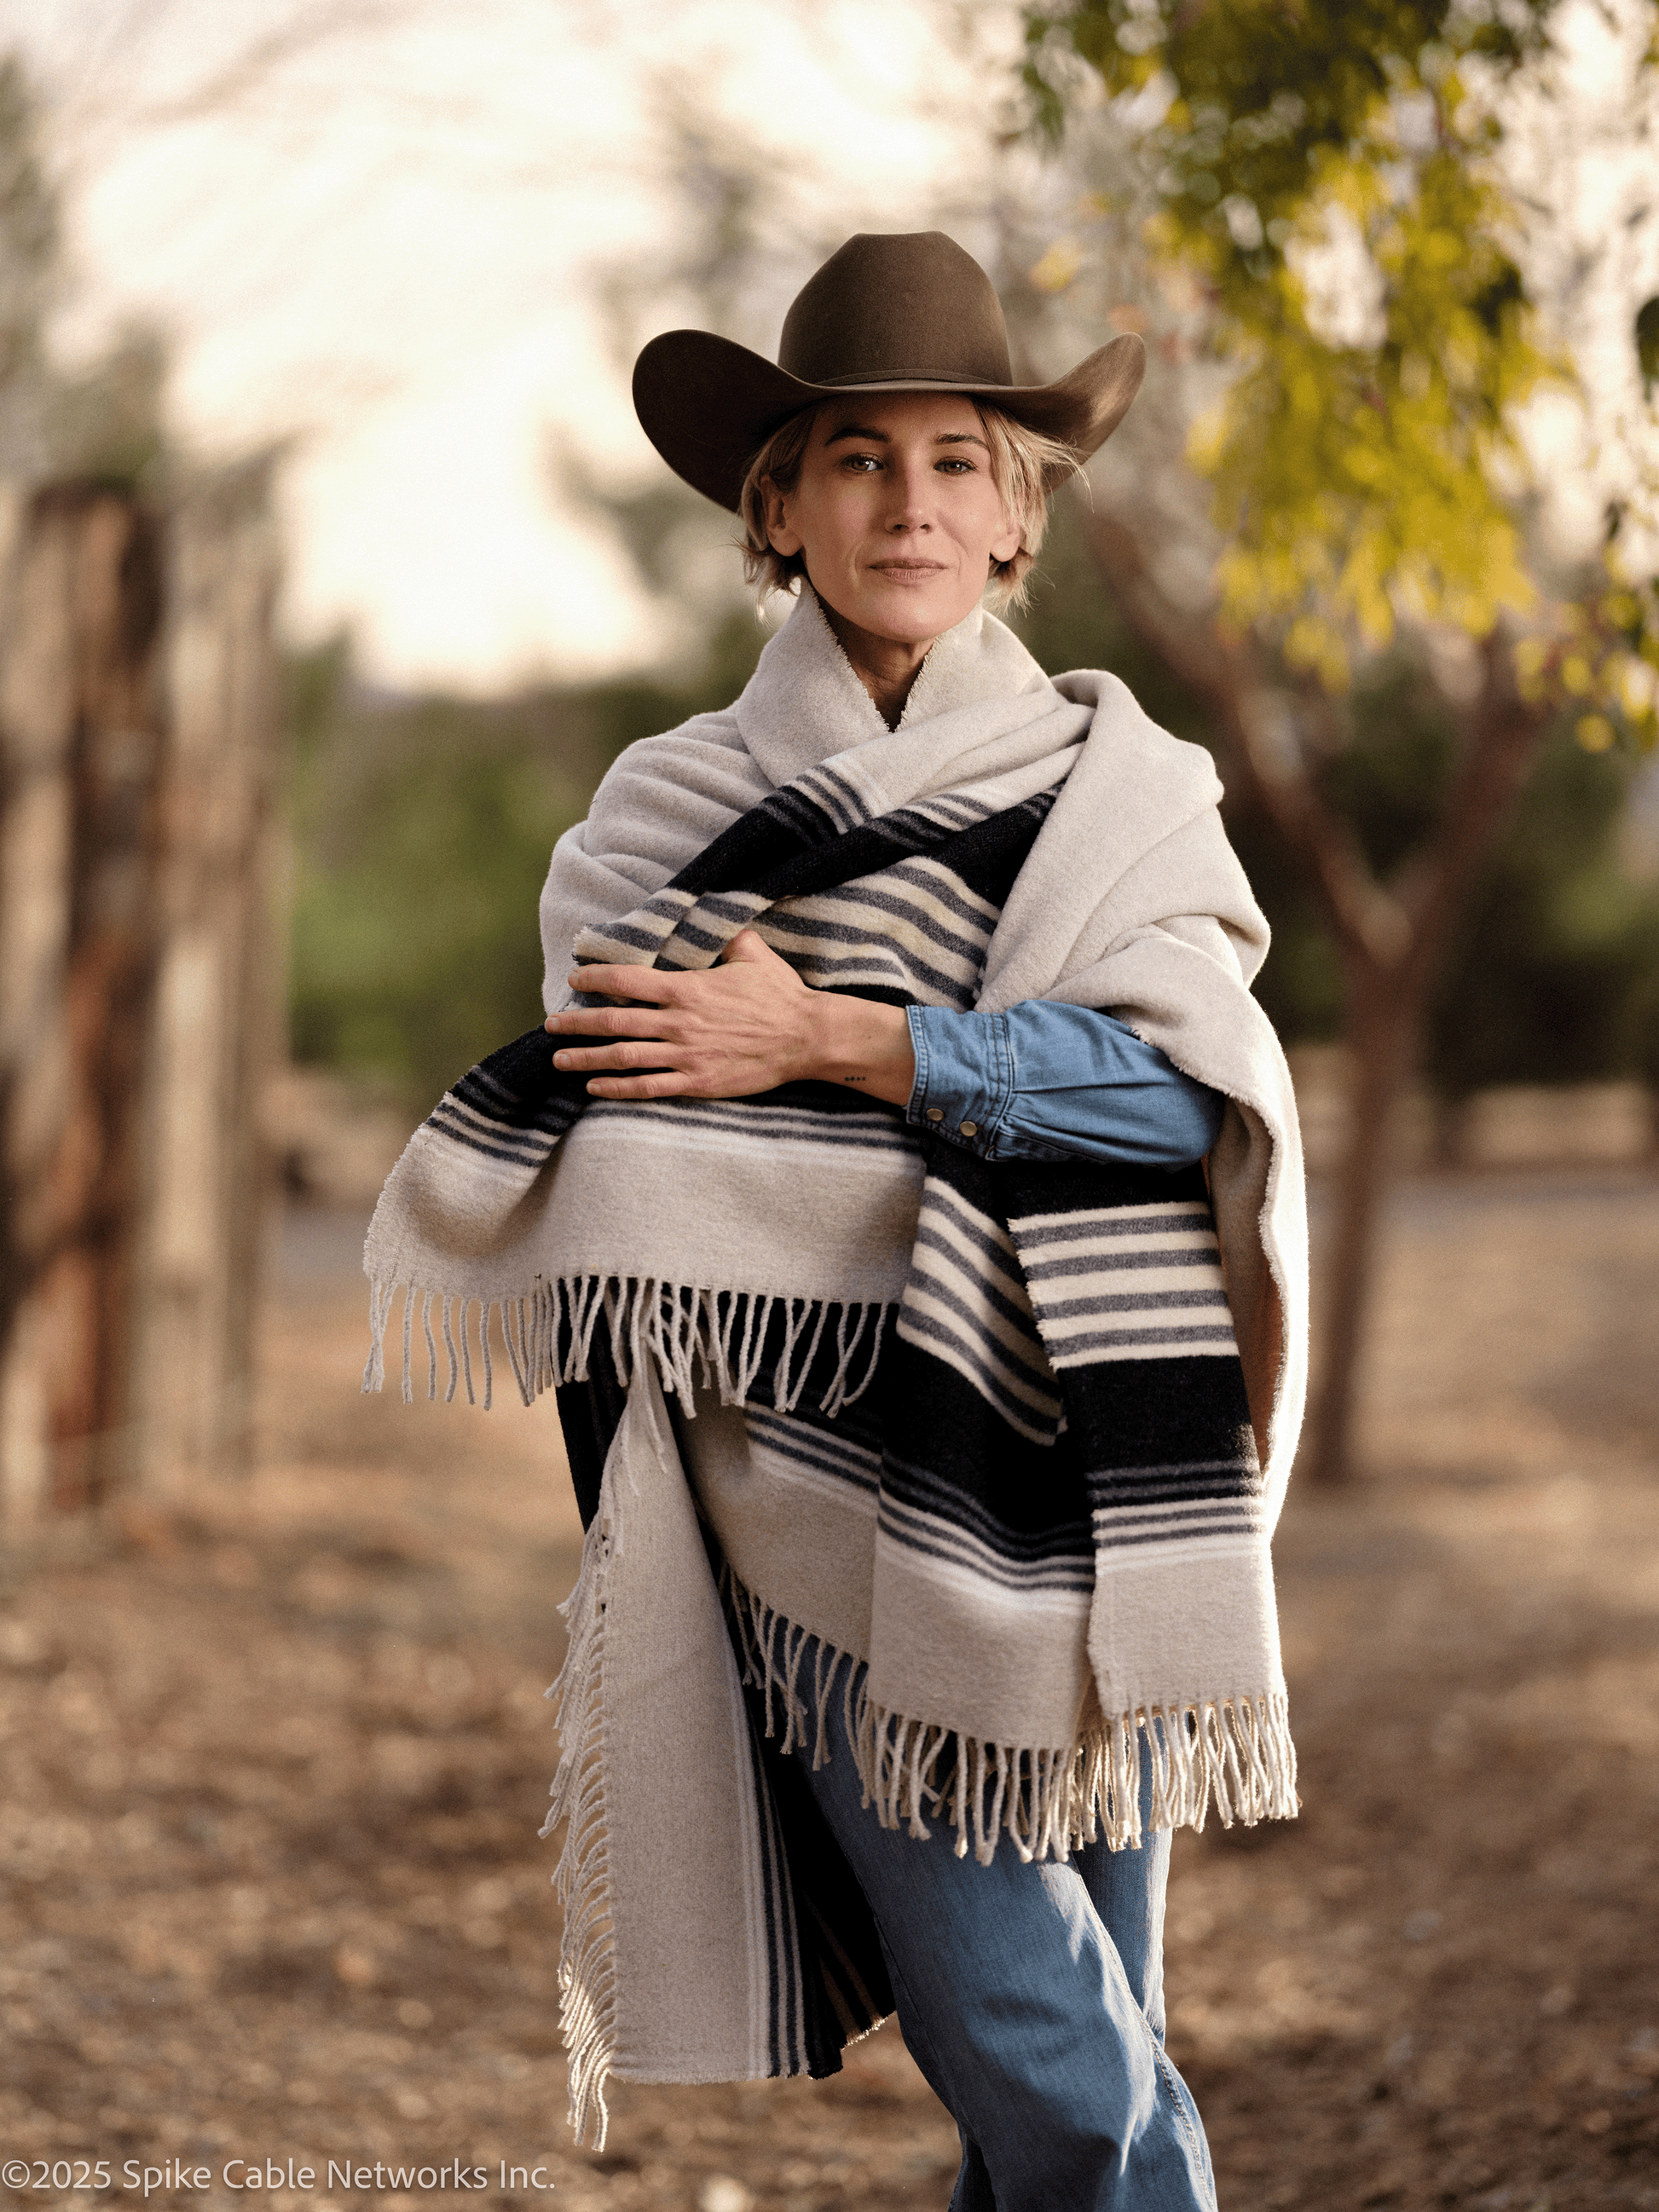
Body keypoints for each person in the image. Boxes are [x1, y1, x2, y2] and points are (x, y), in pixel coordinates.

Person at [364, 230, 1308, 2212]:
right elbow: (624, 1143)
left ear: (1016, 510)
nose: (910, 501)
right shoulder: (659, 811)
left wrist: (838, 1042)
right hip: (808, 1510)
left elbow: (1190, 1097)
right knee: (1051, 2055)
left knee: (1078, 2037)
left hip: (1094, 1473)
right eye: (855, 458)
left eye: (958, 458)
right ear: (773, 507)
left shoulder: (1118, 791)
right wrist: (990, 1074)